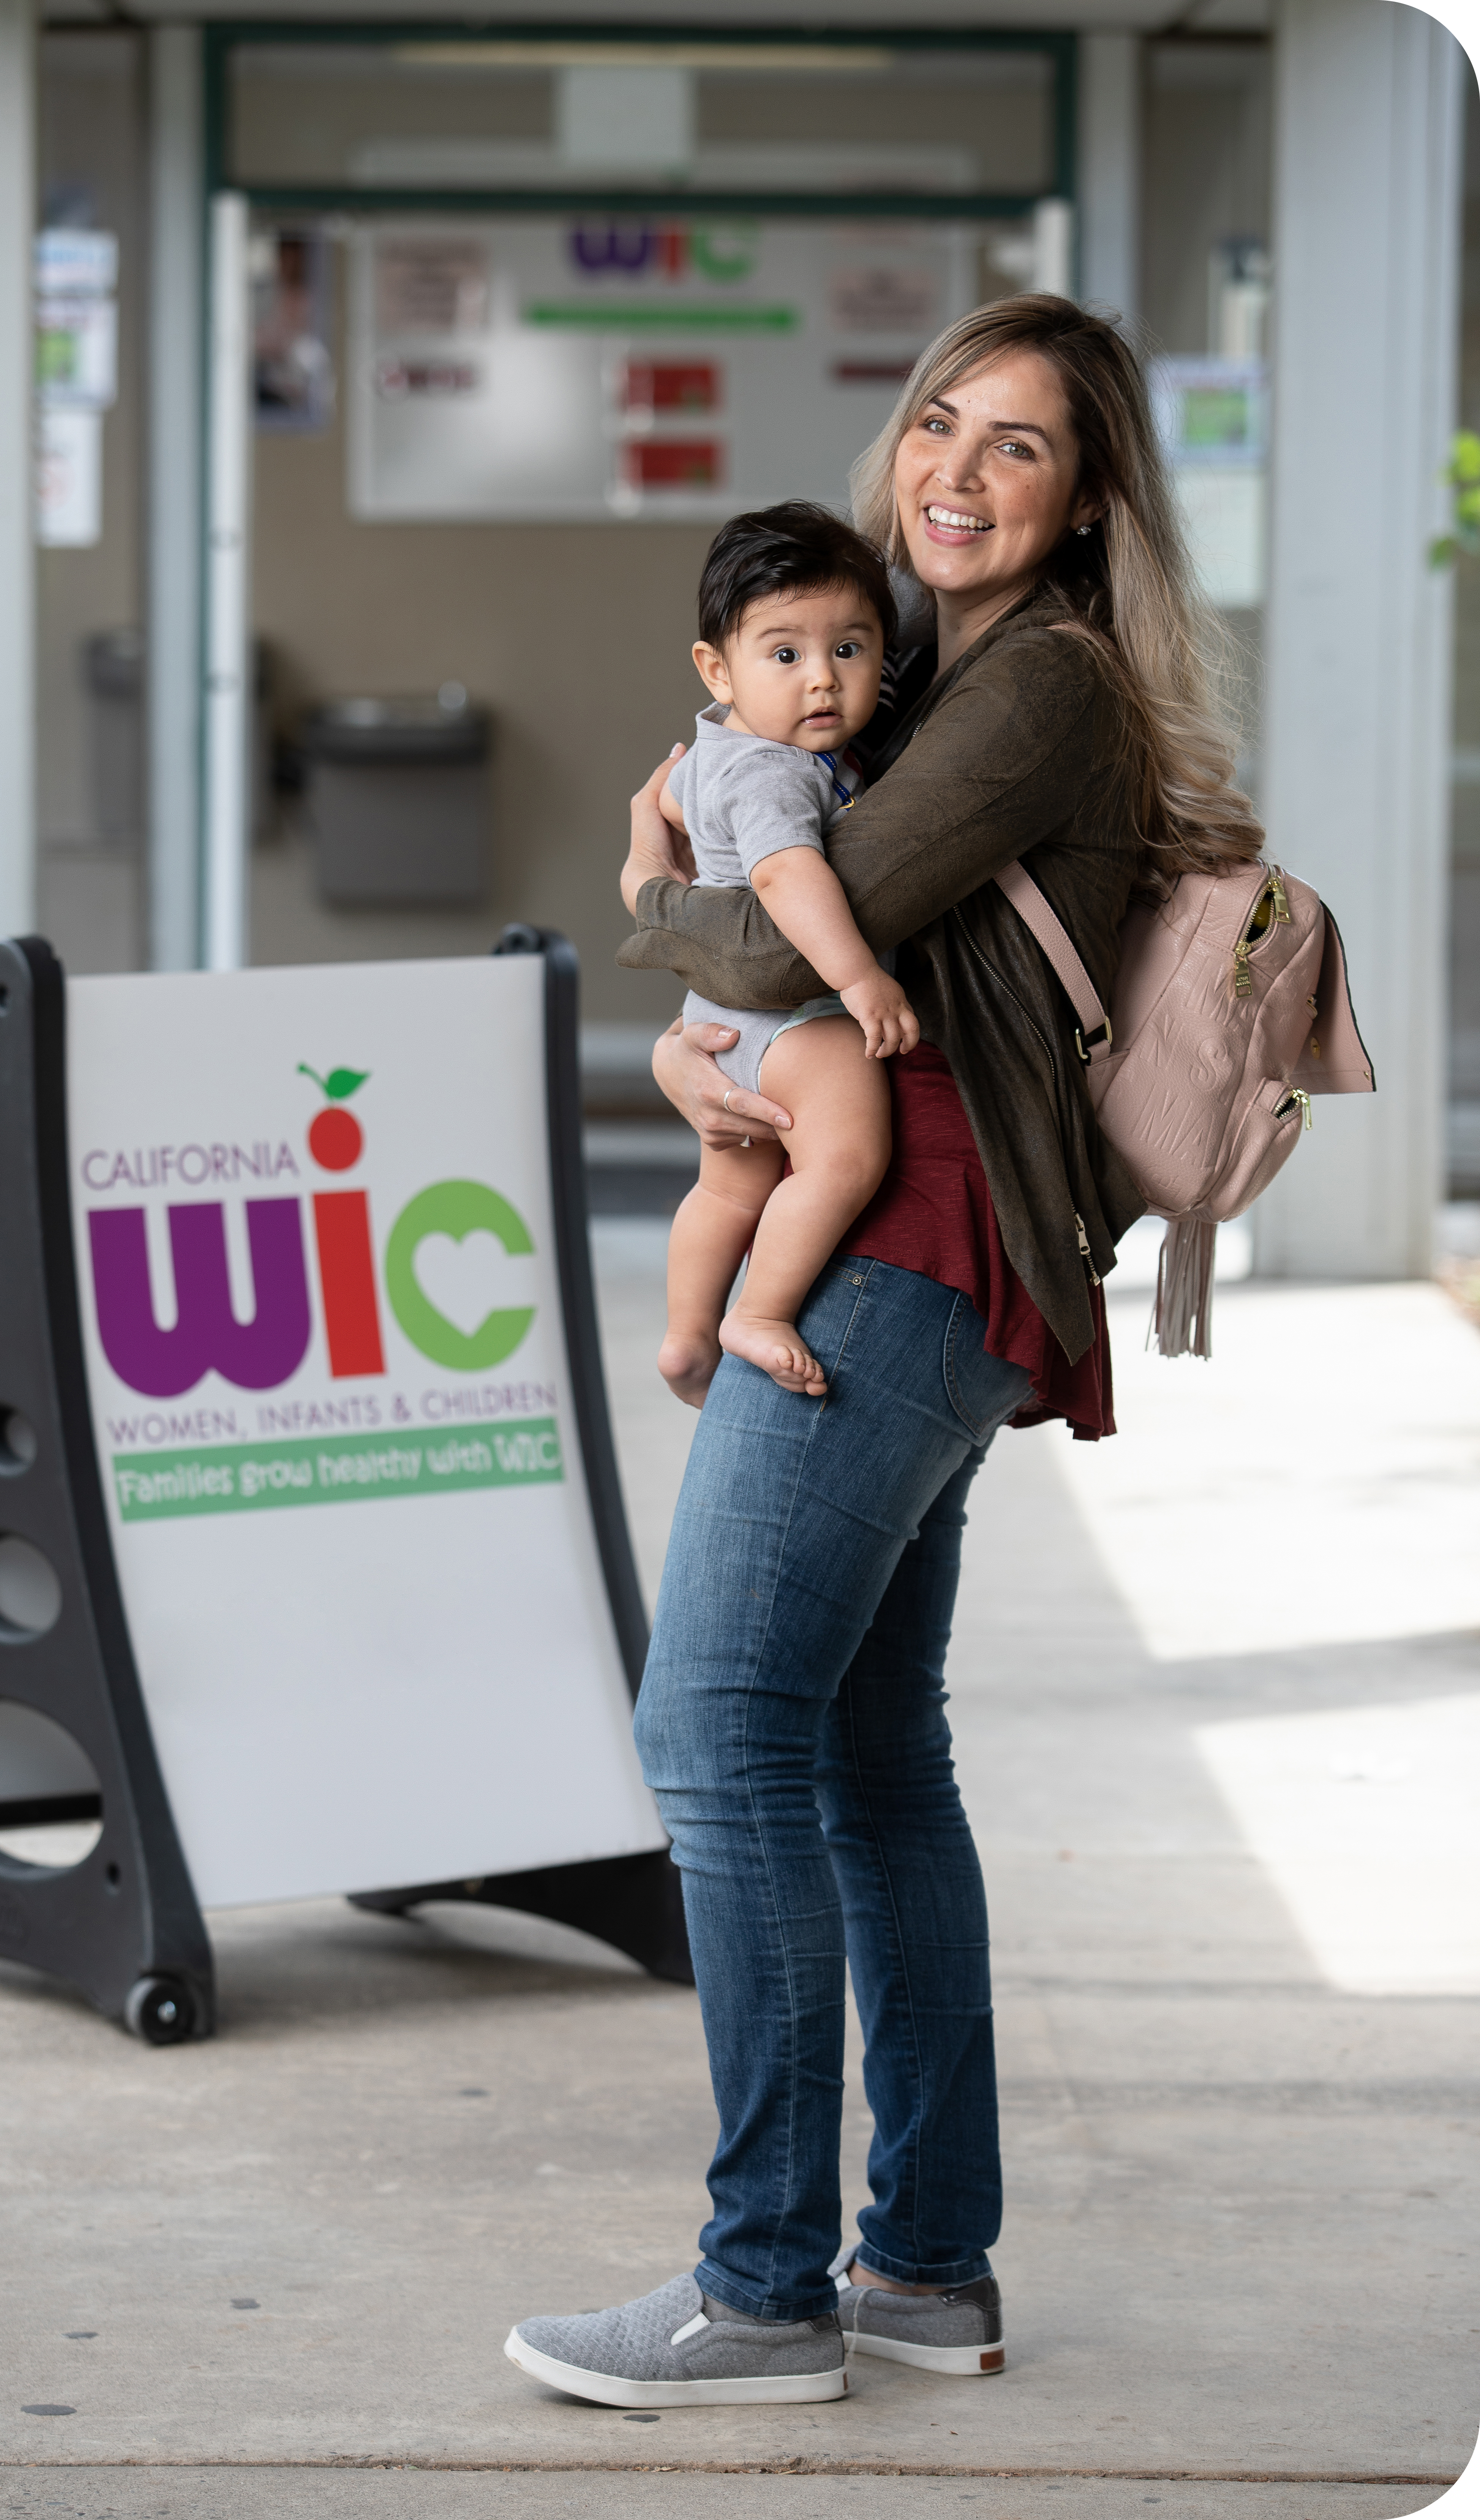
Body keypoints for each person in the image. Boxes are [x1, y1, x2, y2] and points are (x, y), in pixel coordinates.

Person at [503, 294, 1265, 2411]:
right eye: (939, 417)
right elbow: (773, 991)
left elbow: (772, 930)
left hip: (900, 1246)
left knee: (718, 1719)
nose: (957, 467)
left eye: (1019, 444)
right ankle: (918, 2264)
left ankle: (760, 2285)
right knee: (861, 1752)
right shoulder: (903, 667)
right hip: (929, 1244)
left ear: (1087, 492)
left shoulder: (1035, 695)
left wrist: (653, 889)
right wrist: (700, 1032)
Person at [654, 502, 919, 1409]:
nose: (821, 681)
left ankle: (687, 1333)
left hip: (716, 1021)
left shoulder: (716, 751)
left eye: (849, 650)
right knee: (843, 1157)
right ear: (716, 669)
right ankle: (755, 1313)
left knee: (728, 1187)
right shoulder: (770, 771)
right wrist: (857, 976)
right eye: (784, 654)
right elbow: (782, 876)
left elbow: (680, 832)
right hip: (797, 1018)